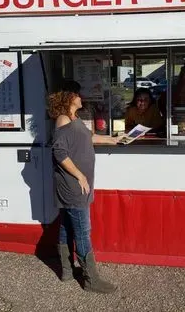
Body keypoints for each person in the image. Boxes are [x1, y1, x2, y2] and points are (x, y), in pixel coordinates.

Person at [48, 80, 119, 293]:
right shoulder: (63, 120)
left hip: (74, 185)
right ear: (70, 97)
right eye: (78, 94)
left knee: (66, 226)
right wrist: (79, 175)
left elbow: (88, 137)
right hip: (73, 186)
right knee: (82, 231)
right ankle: (91, 280)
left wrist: (113, 139)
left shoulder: (72, 118)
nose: (81, 97)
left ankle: (67, 271)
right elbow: (59, 152)